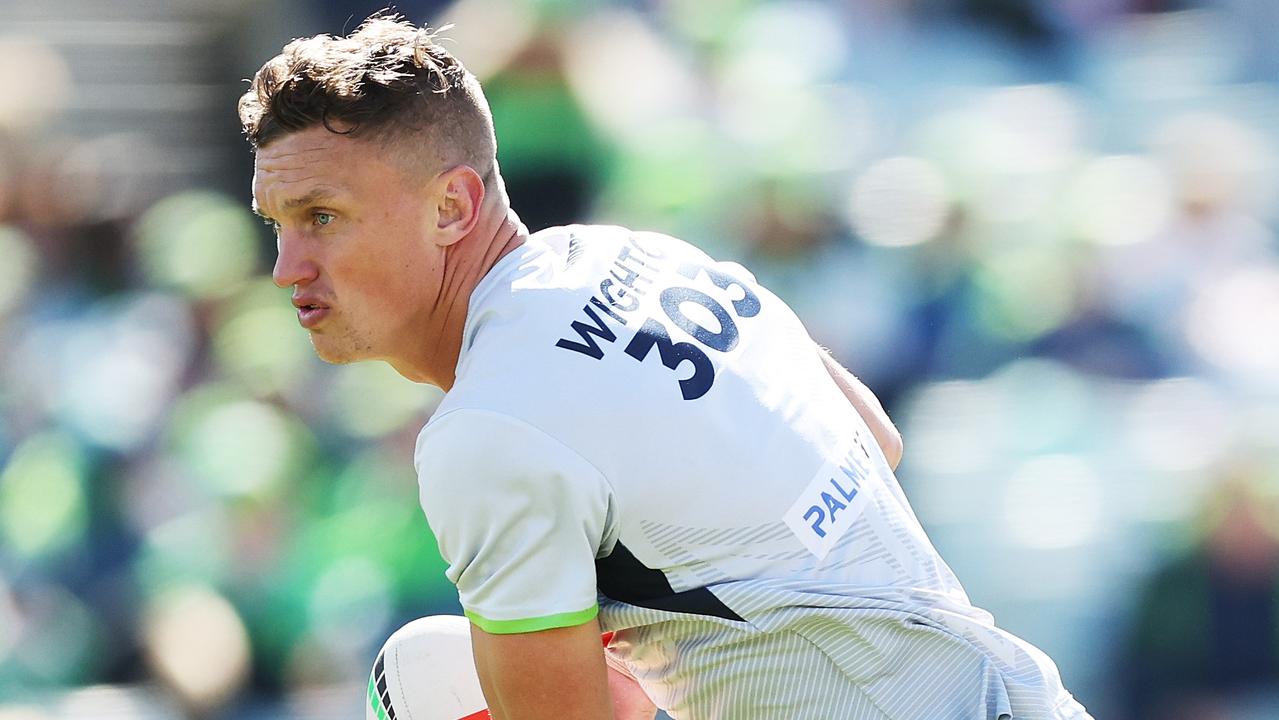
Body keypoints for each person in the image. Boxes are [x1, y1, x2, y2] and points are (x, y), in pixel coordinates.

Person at [240, 14, 1091, 720]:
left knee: (417, 678)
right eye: (278, 222)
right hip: (1020, 692)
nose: (287, 266)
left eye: (322, 216)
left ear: (452, 206)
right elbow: (873, 436)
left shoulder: (488, 430)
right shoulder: (638, 254)